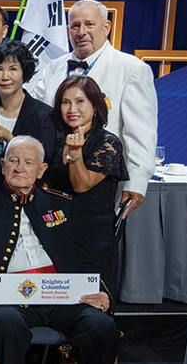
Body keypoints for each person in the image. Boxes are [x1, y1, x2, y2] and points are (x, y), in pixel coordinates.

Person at [0, 135, 119, 364]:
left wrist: (102, 292)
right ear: (3, 166)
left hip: (62, 296)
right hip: (10, 298)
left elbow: (85, 256)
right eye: (13, 161)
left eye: (28, 162)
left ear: (41, 170)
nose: (19, 168)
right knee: (7, 323)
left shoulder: (62, 204)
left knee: (100, 325)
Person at [32, 0, 157, 216]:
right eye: (75, 25)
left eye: (89, 24)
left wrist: (136, 183)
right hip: (52, 181)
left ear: (107, 27)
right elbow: (39, 117)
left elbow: (140, 133)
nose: (81, 32)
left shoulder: (132, 69)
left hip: (99, 180)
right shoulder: (53, 67)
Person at [44, 76, 129, 293]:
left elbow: (81, 185)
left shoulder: (108, 143)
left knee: (90, 305)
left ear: (95, 105)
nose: (72, 109)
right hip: (57, 232)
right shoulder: (57, 138)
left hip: (91, 238)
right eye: (65, 102)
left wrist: (75, 154)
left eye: (80, 101)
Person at [0, 41, 56, 162]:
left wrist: (9, 137)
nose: (5, 76)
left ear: (24, 72)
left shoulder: (44, 115)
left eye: (13, 69)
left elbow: (43, 161)